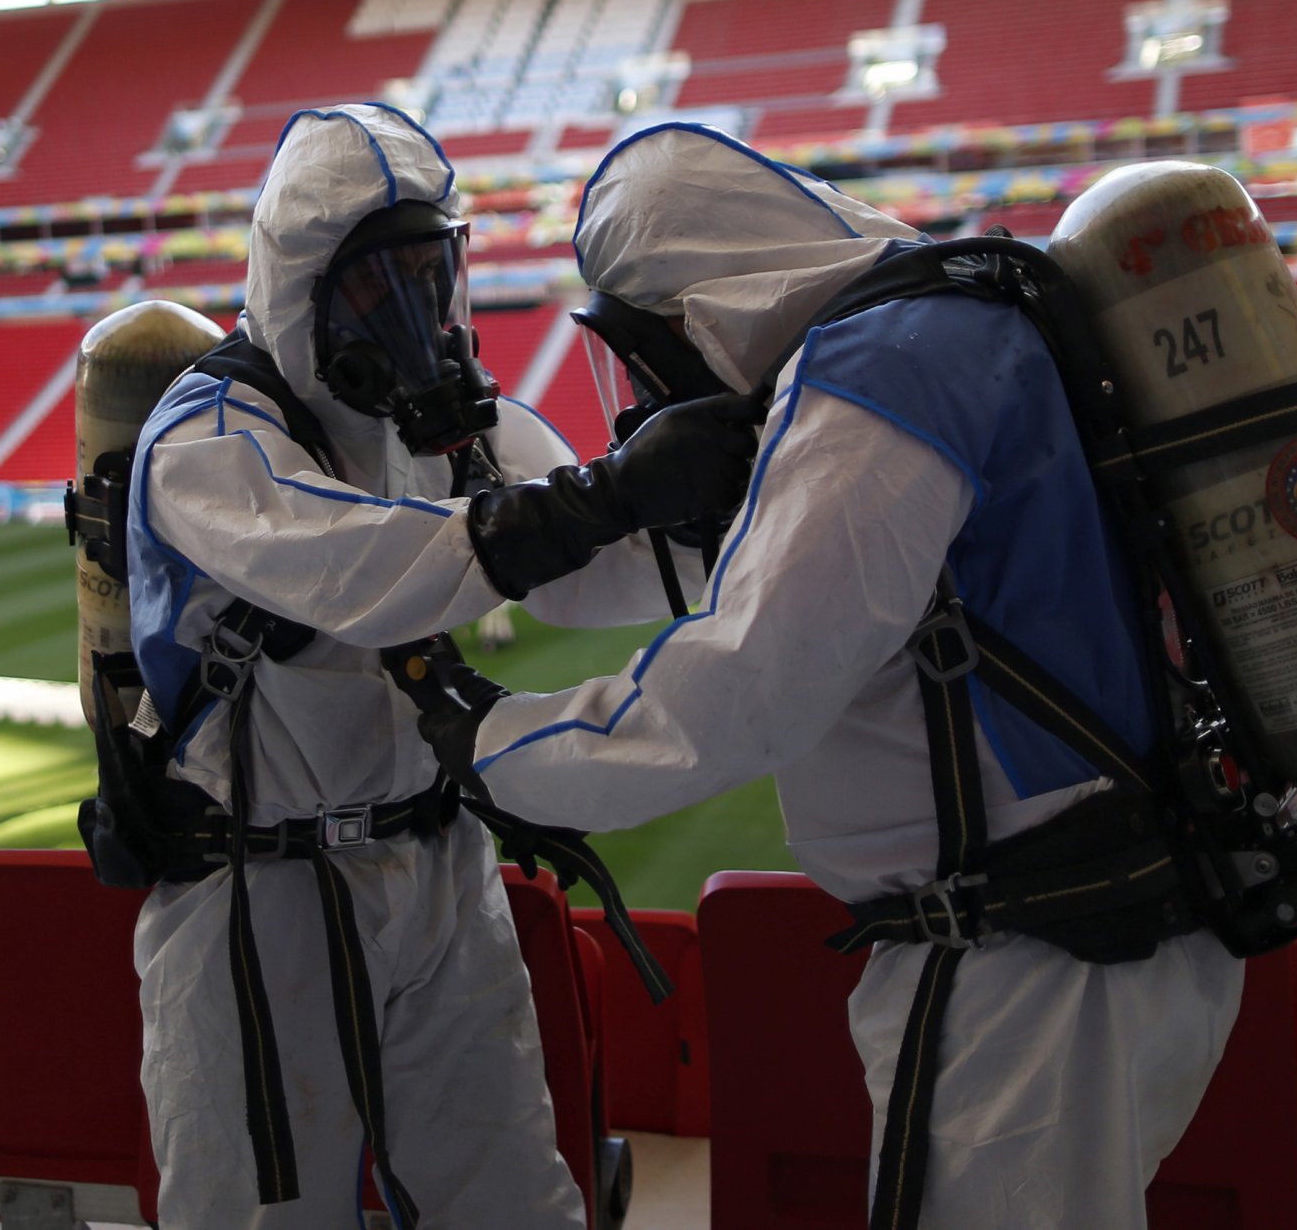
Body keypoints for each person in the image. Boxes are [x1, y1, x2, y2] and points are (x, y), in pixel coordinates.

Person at [394, 123, 1244, 1230]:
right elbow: (645, 578)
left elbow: (745, 687)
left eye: (647, 353)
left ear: (699, 313)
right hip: (1098, 924)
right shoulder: (947, 333)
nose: (648, 394)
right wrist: (567, 498)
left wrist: (492, 745)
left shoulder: (871, 380)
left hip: (1027, 958)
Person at [121, 104, 756, 1230]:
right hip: (256, 895)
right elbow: (361, 573)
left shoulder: (455, 429)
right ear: (301, 284)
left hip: (438, 863)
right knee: (262, 1215)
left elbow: (584, 569)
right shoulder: (209, 435)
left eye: (430, 270)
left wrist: (708, 520)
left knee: (511, 1193)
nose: (415, 314)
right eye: (376, 282)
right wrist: (601, 494)